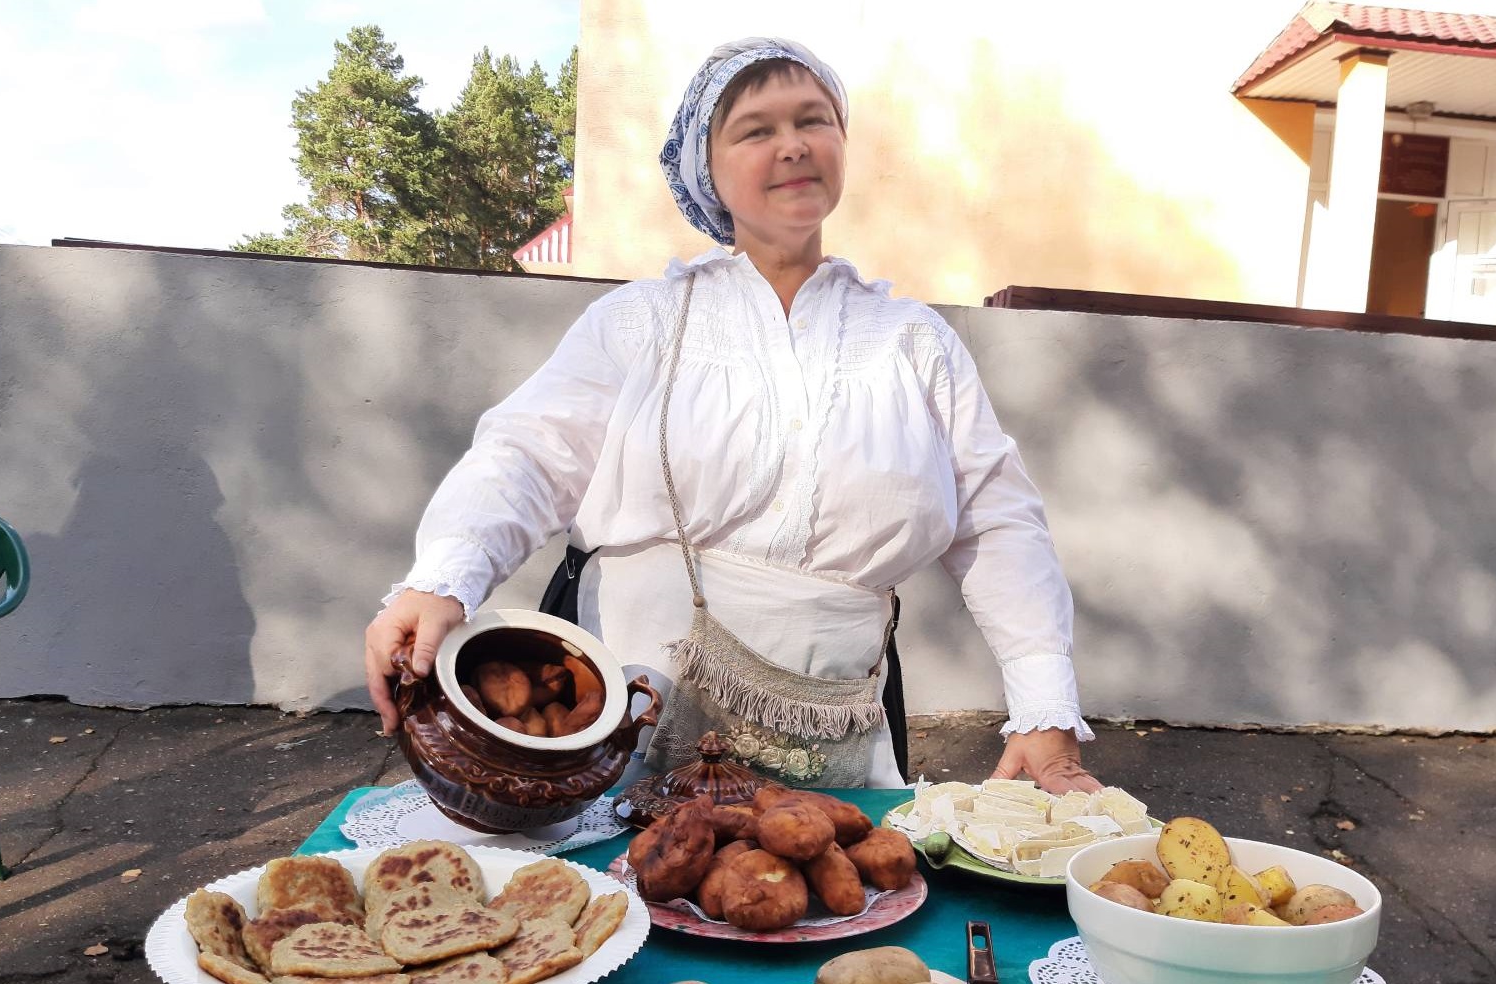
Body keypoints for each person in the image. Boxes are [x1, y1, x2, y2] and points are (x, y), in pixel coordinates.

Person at [364, 37, 1100, 794]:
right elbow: (527, 454)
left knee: (829, 894)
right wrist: (443, 579)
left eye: (814, 121)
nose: (793, 147)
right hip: (626, 704)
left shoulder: (913, 341)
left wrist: (1044, 711)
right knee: (612, 901)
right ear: (706, 169)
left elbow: (999, 521)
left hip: (837, 723)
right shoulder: (643, 319)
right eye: (756, 130)